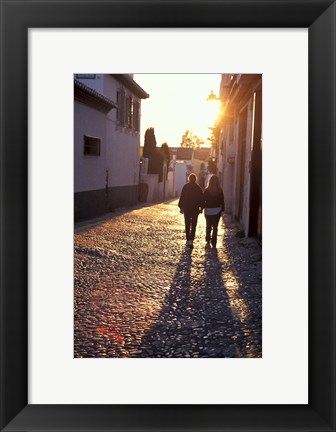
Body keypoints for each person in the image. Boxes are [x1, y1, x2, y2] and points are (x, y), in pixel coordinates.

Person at [178, 173, 204, 247]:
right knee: (194, 224)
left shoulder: (185, 187)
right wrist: (201, 208)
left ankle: (188, 238)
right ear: (195, 179)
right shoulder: (198, 188)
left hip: (187, 208)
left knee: (187, 223)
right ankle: (191, 239)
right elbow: (201, 200)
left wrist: (181, 207)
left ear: (189, 179)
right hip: (195, 209)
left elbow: (182, 197)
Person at [203, 175, 225, 248]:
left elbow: (203, 200)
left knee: (208, 225)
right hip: (217, 210)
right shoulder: (220, 190)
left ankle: (208, 239)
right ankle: (214, 241)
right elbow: (222, 200)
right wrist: (223, 209)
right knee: (215, 226)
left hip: (208, 210)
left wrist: (202, 207)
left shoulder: (206, 190)